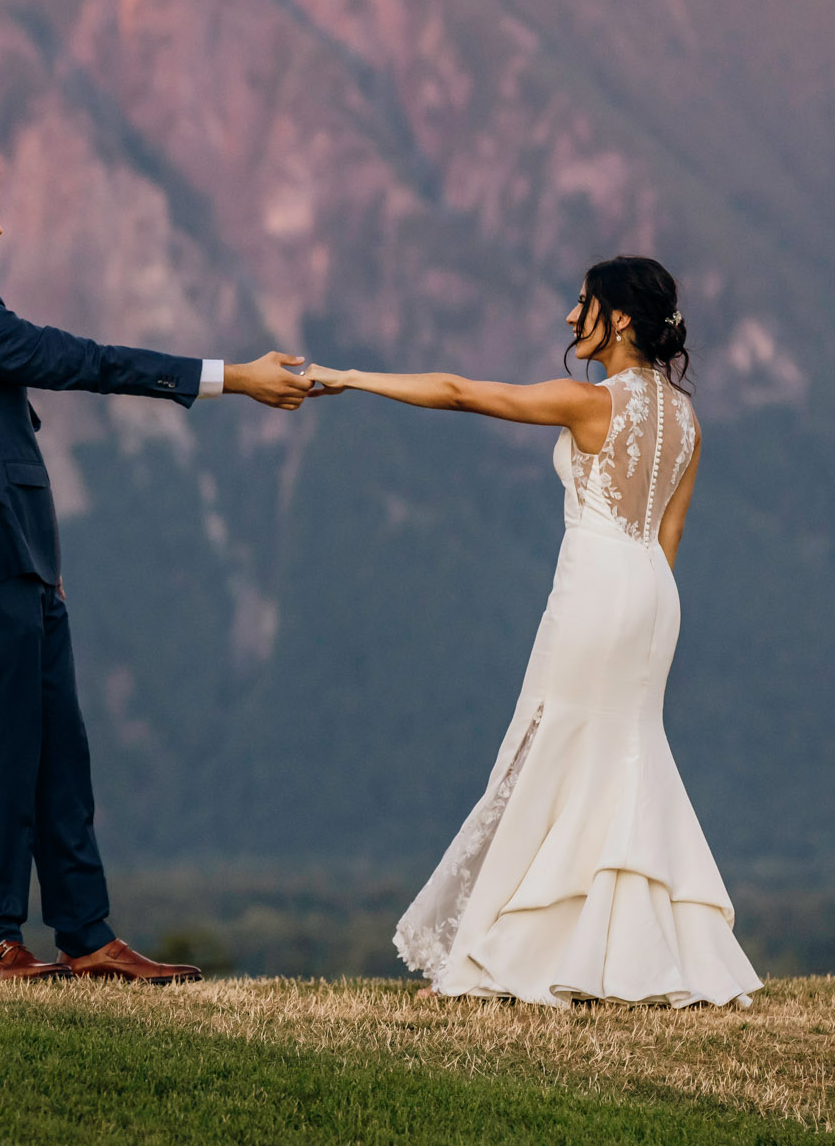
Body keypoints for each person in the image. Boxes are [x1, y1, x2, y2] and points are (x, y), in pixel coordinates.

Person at [0, 154, 311, 981]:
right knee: (4, 747)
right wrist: (232, 378)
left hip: (13, 558)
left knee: (59, 750)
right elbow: (81, 360)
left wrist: (34, 558)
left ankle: (86, 934)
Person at [305, 255, 762, 1008]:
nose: (568, 317)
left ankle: (495, 960)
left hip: (597, 588)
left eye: (582, 304)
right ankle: (628, 953)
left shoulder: (593, 403)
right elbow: (668, 535)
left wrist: (351, 376)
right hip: (653, 593)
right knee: (623, 751)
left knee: (549, 743)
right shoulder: (688, 422)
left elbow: (458, 392)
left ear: (617, 320)